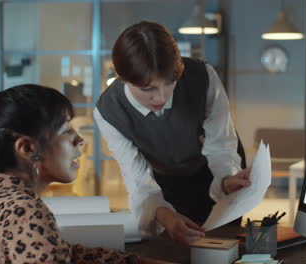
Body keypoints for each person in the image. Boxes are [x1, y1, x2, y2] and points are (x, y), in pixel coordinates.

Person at [94, 21, 251, 245]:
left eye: (170, 83)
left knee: (224, 243)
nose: (160, 97)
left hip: (218, 164)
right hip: (166, 178)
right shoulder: (109, 112)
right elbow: (138, 179)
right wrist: (164, 214)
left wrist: (226, 180)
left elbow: (221, 144)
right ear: (123, 78)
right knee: (174, 243)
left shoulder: (202, 76)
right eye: (147, 89)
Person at [0, 83, 172, 264]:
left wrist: (134, 261)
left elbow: (63, 252)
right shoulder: (23, 212)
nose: (80, 139)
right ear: (28, 148)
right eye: (66, 131)